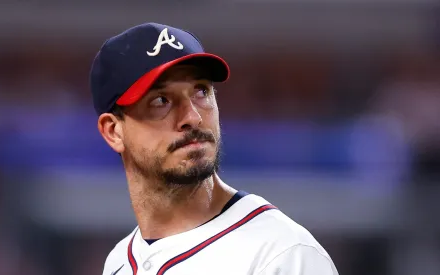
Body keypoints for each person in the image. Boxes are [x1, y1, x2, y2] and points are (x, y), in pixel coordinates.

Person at [90, 22, 339, 275]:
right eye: (160, 101)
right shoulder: (118, 262)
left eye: (201, 91)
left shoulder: (282, 255)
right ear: (113, 131)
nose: (193, 116)